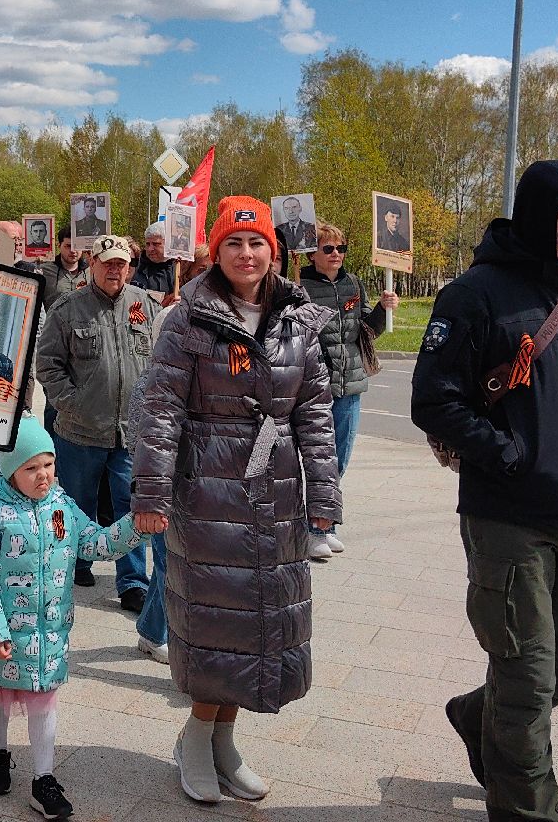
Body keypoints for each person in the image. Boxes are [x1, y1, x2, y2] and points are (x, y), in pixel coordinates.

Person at [410, 159, 558, 822]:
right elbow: (436, 400)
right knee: (526, 689)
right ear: (533, 210)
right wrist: (508, 456)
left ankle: (473, 715)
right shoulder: (474, 295)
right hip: (509, 518)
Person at [131, 196, 339, 805]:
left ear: (272, 251)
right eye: (233, 244)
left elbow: (316, 415)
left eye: (257, 244)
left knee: (256, 626)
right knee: (214, 620)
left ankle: (224, 743)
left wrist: (324, 496)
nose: (246, 255)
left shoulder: (296, 318)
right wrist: (151, 491)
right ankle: (195, 739)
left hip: (275, 493)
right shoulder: (189, 319)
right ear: (215, 252)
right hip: (208, 490)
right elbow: (159, 409)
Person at [0, 416, 141, 820]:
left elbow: (96, 542)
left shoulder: (62, 506)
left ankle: (43, 777)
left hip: (48, 637)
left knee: (44, 701)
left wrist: (135, 527)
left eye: (49, 464)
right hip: (4, 633)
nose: (43, 475)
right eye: (31, 468)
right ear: (11, 472)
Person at [35, 233, 158, 608]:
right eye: (107, 264)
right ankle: (77, 562)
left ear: (129, 268)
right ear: (93, 265)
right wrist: (70, 402)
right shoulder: (68, 308)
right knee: (76, 504)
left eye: (121, 264)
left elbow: (158, 360)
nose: (114, 270)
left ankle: (133, 581)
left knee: (129, 507)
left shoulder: (145, 305)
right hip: (79, 430)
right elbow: (48, 363)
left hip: (129, 433)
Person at [297, 221, 398, 559]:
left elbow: (367, 331)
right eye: (329, 249)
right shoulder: (300, 284)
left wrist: (383, 310)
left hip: (350, 384)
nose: (336, 254)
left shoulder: (353, 283)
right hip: (314, 385)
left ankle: (327, 524)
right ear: (313, 253)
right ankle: (313, 529)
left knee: (339, 460)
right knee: (317, 459)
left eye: (341, 248)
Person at [37, 234, 85, 310]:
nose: (73, 251)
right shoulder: (44, 271)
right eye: (68, 246)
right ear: (59, 246)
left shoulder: (91, 270)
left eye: (77, 246)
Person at [132, 223, 177, 302]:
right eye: (148, 244)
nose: (150, 249)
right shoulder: (135, 266)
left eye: (155, 244)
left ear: (168, 243)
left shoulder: (179, 268)